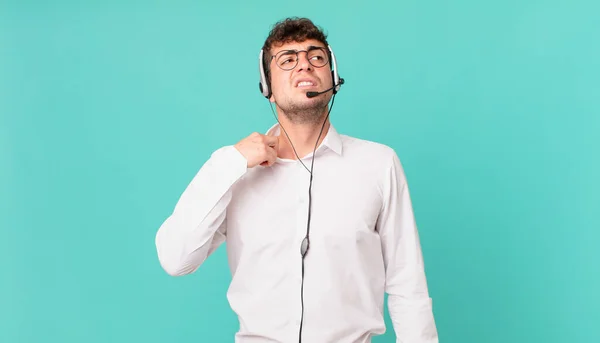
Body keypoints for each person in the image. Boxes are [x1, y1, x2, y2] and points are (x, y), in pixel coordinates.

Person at [155, 17, 439, 343]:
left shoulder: (379, 164)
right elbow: (176, 259)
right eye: (288, 60)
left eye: (316, 57)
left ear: (333, 78)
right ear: (268, 88)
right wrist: (229, 163)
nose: (304, 65)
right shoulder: (234, 172)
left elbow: (408, 287)